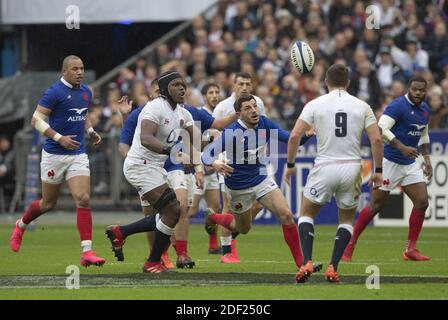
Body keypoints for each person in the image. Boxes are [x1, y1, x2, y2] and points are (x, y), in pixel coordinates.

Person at [105, 72, 236, 273]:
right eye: (176, 85)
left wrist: (216, 140)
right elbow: (147, 139)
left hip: (155, 167)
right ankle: (152, 260)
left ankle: (122, 233)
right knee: (173, 210)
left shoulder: (184, 113)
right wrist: (174, 151)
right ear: (166, 89)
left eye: (183, 84)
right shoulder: (155, 107)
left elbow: (198, 142)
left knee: (173, 211)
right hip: (139, 165)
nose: (182, 88)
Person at [284, 64, 384, 283]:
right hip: (351, 167)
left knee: (306, 214)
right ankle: (333, 267)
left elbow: (293, 137)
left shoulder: (315, 104)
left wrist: (290, 164)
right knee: (346, 219)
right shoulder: (362, 106)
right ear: (348, 82)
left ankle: (308, 261)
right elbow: (376, 139)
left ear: (326, 82)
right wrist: (378, 171)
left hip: (325, 165)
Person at [9, 55, 106, 267]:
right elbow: (36, 120)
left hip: (78, 154)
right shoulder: (53, 92)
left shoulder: (86, 91)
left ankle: (87, 252)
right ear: (64, 72)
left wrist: (90, 130)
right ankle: (21, 225)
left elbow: (83, 113)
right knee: (48, 203)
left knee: (83, 198)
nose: (80, 72)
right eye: (75, 69)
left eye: (82, 68)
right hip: (54, 154)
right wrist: (59, 138)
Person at [202, 94, 312, 275]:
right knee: (243, 229)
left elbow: (289, 137)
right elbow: (206, 155)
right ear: (238, 114)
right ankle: (213, 218)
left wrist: (306, 135)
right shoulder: (231, 132)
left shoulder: (264, 123)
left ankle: (302, 265)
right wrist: (215, 164)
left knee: (286, 214)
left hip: (261, 178)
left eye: (254, 106)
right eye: (248, 108)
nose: (254, 110)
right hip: (238, 186)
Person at [342, 76, 433, 262]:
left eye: (421, 90)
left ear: (426, 91)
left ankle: (410, 249)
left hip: (410, 163)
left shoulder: (425, 109)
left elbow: (423, 134)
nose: (418, 93)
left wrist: (427, 158)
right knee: (376, 205)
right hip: (390, 162)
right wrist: (402, 147)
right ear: (409, 88)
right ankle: (349, 244)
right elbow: (381, 129)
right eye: (415, 89)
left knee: (422, 202)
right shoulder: (397, 106)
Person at [212, 72, 265, 263]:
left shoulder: (258, 102)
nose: (244, 87)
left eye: (248, 84)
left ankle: (225, 226)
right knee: (228, 206)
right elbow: (212, 134)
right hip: (229, 162)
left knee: (259, 203)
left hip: (254, 162)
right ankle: (227, 251)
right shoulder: (223, 107)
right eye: (241, 83)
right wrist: (217, 161)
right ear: (233, 85)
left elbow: (262, 129)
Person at [187, 83, 224, 254]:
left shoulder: (220, 115)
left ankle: (212, 245)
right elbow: (194, 143)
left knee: (215, 209)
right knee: (191, 210)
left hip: (212, 171)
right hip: (199, 169)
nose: (215, 95)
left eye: (217, 92)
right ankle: (171, 240)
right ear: (204, 96)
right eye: (211, 92)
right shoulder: (200, 115)